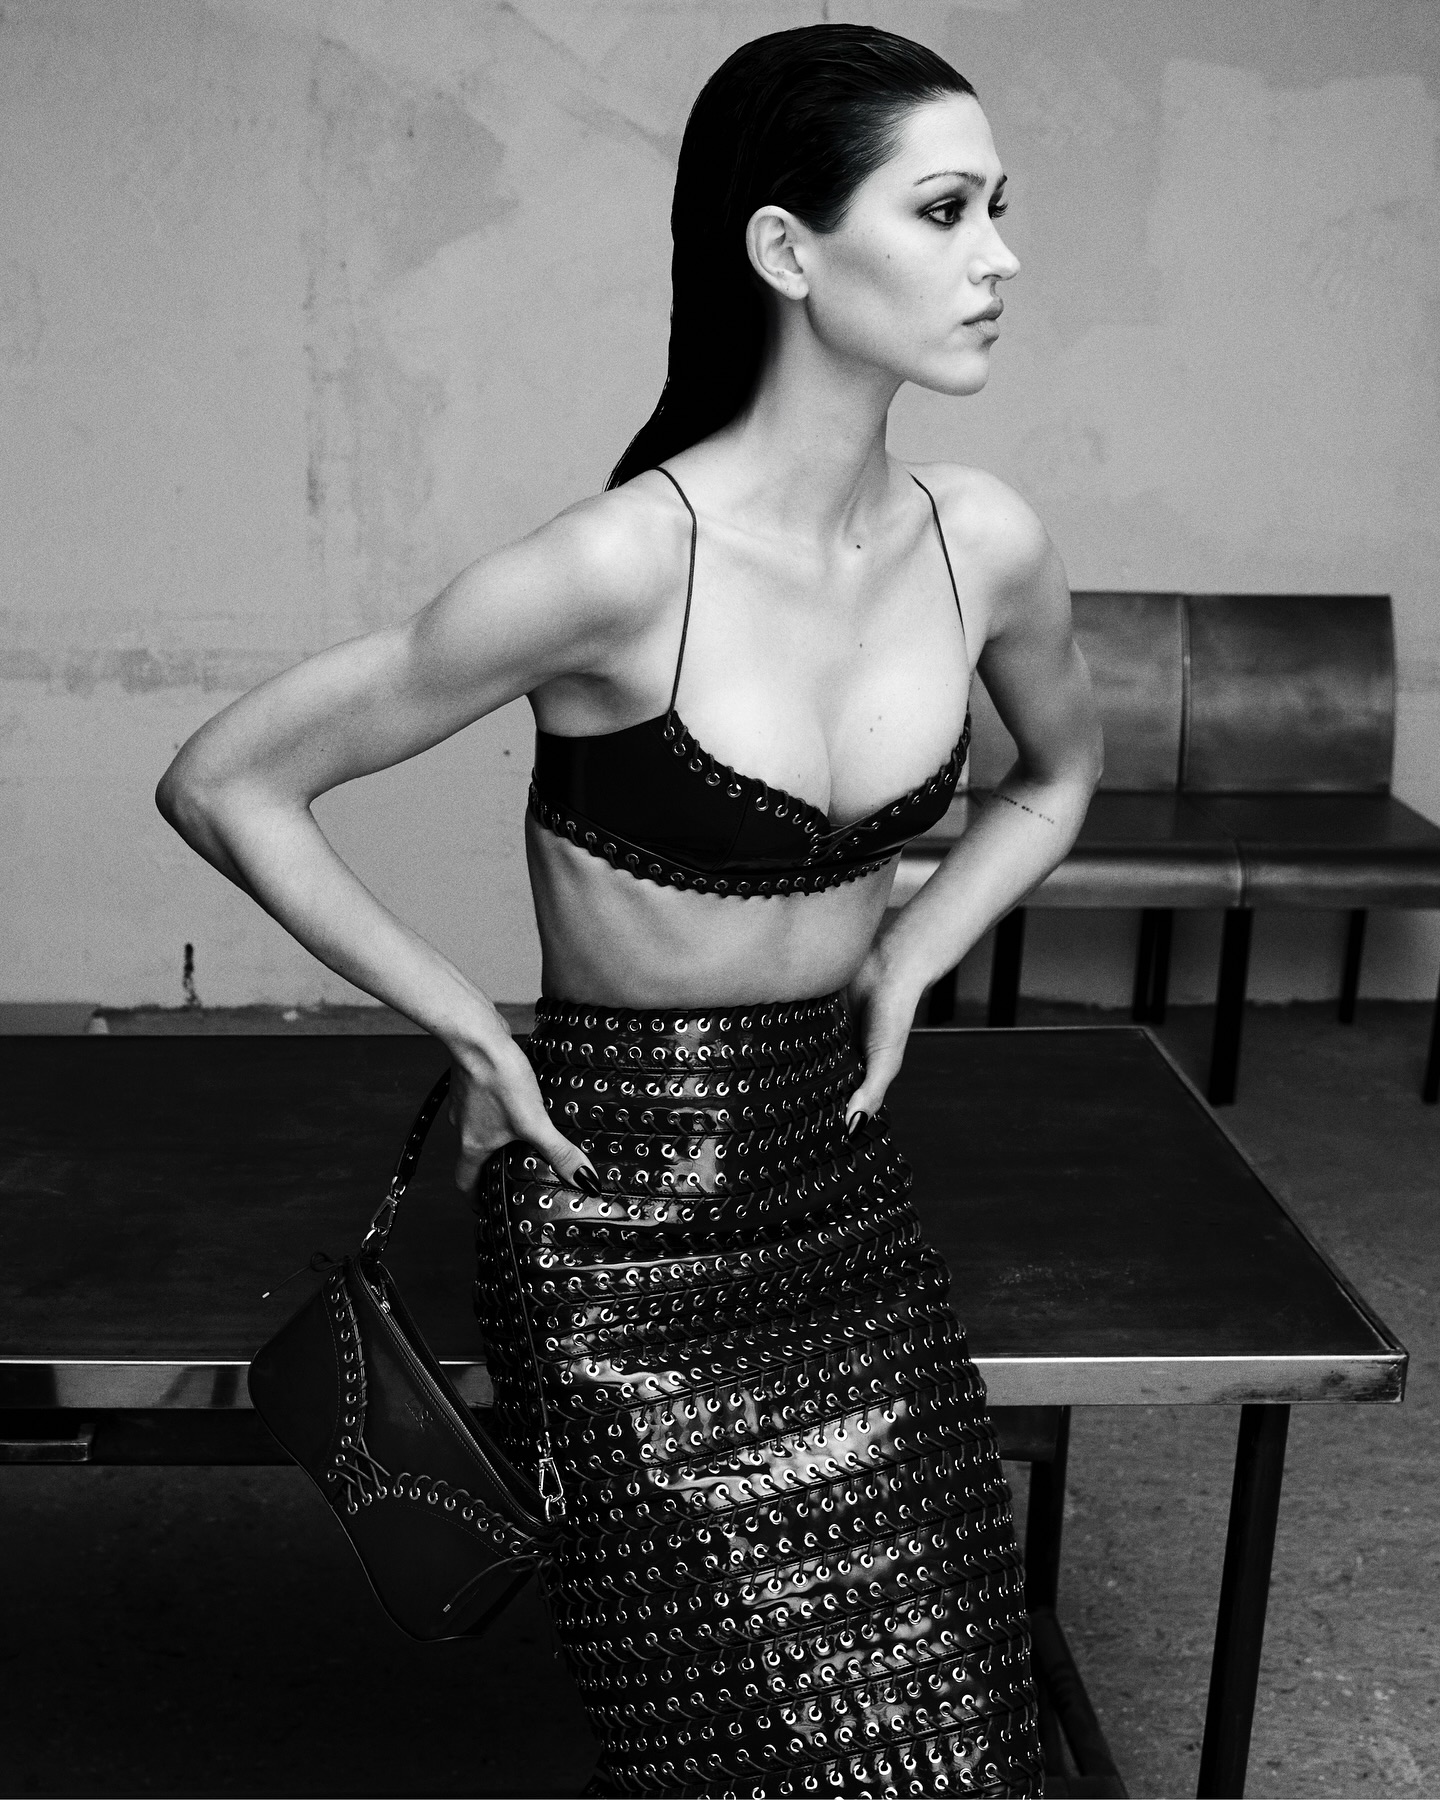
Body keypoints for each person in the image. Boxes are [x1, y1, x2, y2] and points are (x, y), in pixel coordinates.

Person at [158, 22, 1101, 1798]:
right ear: (786, 250)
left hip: (839, 1185)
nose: (999, 257)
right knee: (736, 1755)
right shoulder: (617, 565)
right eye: (946, 209)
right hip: (614, 1220)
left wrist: (913, 950)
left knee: (958, 1739)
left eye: (1002, 208)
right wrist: (466, 1024)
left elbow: (1055, 775)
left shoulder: (984, 540)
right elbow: (227, 781)